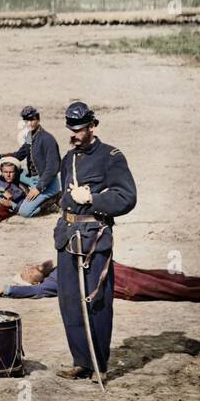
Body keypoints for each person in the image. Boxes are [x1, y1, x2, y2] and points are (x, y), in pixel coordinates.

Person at [53, 100, 137, 382]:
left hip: (94, 238)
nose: (74, 134)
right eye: (71, 129)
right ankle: (81, 360)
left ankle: (99, 364)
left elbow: (127, 198)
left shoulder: (111, 156)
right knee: (69, 301)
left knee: (96, 301)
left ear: (92, 126)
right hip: (67, 236)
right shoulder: (69, 158)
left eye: (79, 129)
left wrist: (93, 199)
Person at [0, 259, 200, 304]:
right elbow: (32, 293)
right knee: (160, 288)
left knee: (160, 276)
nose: (29, 268)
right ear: (34, 284)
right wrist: (7, 289)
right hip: (109, 280)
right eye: (26, 273)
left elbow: (46, 262)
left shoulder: (54, 268)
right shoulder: (51, 284)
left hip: (109, 267)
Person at [0, 105, 62, 218]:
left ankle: (52, 201)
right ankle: (25, 192)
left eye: (32, 120)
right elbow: (20, 154)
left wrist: (38, 188)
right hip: (32, 177)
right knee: (8, 173)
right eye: (27, 120)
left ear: (38, 119)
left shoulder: (47, 139)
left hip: (47, 183)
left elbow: (53, 168)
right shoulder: (29, 136)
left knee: (25, 212)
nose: (30, 123)